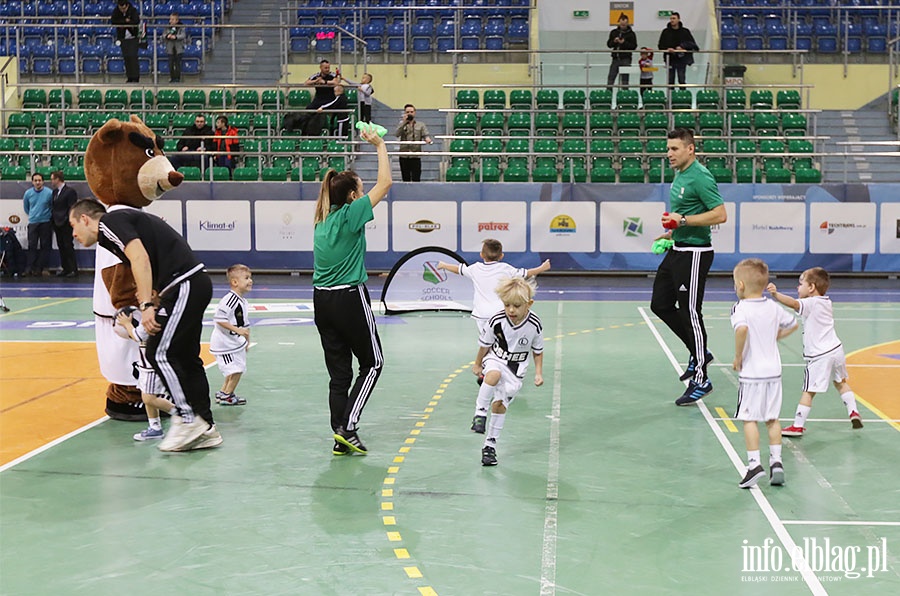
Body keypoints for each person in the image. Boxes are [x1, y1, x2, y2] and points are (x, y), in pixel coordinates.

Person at [69, 198, 219, 453]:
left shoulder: (109, 223)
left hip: (184, 284)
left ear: (85, 219)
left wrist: (147, 305)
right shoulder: (117, 229)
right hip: (191, 284)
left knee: (158, 353)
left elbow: (140, 258)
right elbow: (146, 256)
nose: (73, 234)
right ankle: (206, 428)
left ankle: (188, 419)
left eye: (73, 226)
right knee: (185, 358)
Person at [312, 126, 392, 456]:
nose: (363, 194)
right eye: (359, 190)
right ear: (350, 197)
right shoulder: (348, 216)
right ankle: (349, 426)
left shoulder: (322, 221)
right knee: (373, 363)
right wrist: (380, 145)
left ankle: (339, 436)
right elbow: (385, 184)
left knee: (339, 374)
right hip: (348, 297)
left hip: (322, 300)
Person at [436, 238, 550, 430]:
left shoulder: (475, 269)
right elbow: (526, 274)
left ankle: (487, 374)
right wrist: (542, 267)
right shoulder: (506, 268)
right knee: (500, 348)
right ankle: (491, 379)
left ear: (482, 254)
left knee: (489, 346)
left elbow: (459, 269)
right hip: (503, 315)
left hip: (483, 317)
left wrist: (443, 265)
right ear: (502, 255)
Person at [651, 128, 727, 406]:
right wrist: (673, 232)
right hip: (678, 250)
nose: (668, 153)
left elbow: (720, 214)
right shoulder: (680, 175)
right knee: (659, 304)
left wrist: (681, 221)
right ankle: (699, 352)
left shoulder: (700, 176)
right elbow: (688, 213)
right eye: (668, 149)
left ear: (690, 149)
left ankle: (702, 379)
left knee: (691, 312)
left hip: (695, 254)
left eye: (674, 149)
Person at [767, 268, 864, 437]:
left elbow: (794, 303)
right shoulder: (826, 301)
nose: (798, 288)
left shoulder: (811, 303)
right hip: (836, 350)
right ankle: (853, 411)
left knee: (808, 391)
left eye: (801, 284)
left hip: (820, 355)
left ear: (811, 287)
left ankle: (798, 425)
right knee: (841, 382)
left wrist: (776, 295)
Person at [731, 258, 798, 488]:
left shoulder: (740, 308)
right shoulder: (772, 306)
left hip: (752, 374)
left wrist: (738, 356)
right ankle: (777, 462)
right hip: (774, 372)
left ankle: (754, 465)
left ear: (740, 285)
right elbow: (793, 324)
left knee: (749, 418)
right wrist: (775, 337)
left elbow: (742, 329)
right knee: (772, 419)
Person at [473, 276, 544, 467]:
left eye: (517, 306)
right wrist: (478, 363)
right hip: (496, 359)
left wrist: (538, 373)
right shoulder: (496, 320)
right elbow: (484, 344)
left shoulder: (534, 324)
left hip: (516, 370)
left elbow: (538, 351)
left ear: (528, 304)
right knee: (493, 375)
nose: (511, 310)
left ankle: (490, 445)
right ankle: (479, 414)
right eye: (507, 305)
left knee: (499, 406)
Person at [115, 306, 182, 442]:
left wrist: (126, 323)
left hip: (152, 365)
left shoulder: (155, 316)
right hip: (146, 364)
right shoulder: (159, 312)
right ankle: (155, 427)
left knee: (148, 398)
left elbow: (137, 336)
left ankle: (183, 415)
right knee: (146, 395)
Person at [211, 264, 253, 407]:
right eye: (246, 278)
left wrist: (247, 340)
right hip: (225, 344)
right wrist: (238, 330)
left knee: (235, 369)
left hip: (235, 343)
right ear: (234, 282)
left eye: (250, 278)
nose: (250, 281)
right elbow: (219, 319)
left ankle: (225, 392)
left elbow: (245, 324)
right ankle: (227, 395)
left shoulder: (242, 302)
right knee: (236, 370)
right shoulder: (230, 300)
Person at [285, 59, 341, 135]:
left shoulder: (332, 75)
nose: (327, 69)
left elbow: (336, 82)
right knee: (307, 113)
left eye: (328, 67)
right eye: (325, 68)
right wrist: (316, 81)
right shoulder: (316, 75)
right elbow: (306, 83)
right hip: (318, 99)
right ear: (321, 68)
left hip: (329, 100)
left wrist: (324, 82)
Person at [22, 172, 53, 277]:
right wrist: (33, 215)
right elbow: (26, 207)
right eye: (35, 180)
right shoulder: (28, 193)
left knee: (45, 246)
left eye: (39, 180)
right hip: (33, 223)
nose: (37, 182)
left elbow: (52, 206)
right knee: (32, 246)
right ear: (32, 182)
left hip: (46, 222)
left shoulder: (49, 193)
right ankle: (29, 268)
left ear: (43, 181)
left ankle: (41, 268)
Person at [657, 12, 698, 90]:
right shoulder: (665, 32)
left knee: (681, 79)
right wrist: (668, 49)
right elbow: (660, 46)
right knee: (670, 80)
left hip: (682, 59)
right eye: (671, 18)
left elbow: (694, 46)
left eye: (674, 18)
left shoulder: (685, 32)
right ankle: (670, 99)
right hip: (670, 59)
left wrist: (682, 47)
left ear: (678, 19)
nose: (672, 20)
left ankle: (682, 98)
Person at [49, 170, 79, 277]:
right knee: (61, 245)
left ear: (57, 179)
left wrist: (67, 219)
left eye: (52, 179)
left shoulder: (70, 191)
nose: (51, 181)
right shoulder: (55, 192)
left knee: (68, 245)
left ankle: (73, 269)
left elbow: (72, 207)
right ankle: (65, 268)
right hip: (57, 223)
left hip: (65, 223)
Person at [395, 104, 433, 182]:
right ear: (405, 113)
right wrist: (404, 123)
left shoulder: (421, 125)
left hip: (415, 155)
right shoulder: (401, 124)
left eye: (411, 112)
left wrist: (427, 139)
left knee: (416, 178)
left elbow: (425, 134)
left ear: (415, 112)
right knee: (405, 178)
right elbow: (396, 134)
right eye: (407, 112)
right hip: (404, 155)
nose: (410, 113)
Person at [111, 0, 140, 83]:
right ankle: (129, 77)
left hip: (133, 37)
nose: (122, 10)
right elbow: (114, 21)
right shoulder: (116, 11)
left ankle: (135, 77)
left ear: (127, 6)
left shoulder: (133, 10)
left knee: (133, 58)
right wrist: (125, 20)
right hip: (123, 38)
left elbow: (136, 21)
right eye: (121, 9)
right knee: (126, 58)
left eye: (124, 8)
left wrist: (127, 22)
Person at [606, 14, 638, 91]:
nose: (622, 25)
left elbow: (633, 46)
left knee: (625, 80)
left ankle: (624, 96)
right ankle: (608, 96)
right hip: (615, 59)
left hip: (626, 59)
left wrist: (624, 42)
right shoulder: (614, 32)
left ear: (627, 23)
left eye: (624, 24)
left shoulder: (631, 34)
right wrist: (614, 41)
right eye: (621, 24)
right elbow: (609, 44)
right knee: (611, 78)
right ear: (619, 23)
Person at [164, 12, 185, 83]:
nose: (171, 21)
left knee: (177, 64)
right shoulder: (167, 27)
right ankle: (172, 77)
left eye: (173, 19)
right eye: (170, 19)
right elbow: (163, 35)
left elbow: (183, 35)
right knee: (170, 64)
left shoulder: (181, 27)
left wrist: (175, 37)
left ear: (177, 20)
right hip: (170, 49)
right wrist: (167, 36)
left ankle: (177, 78)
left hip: (178, 49)